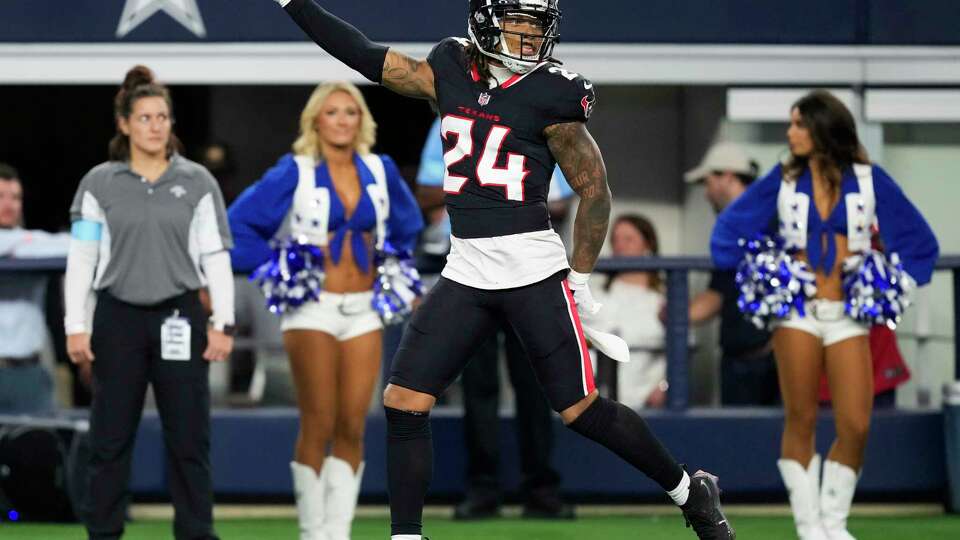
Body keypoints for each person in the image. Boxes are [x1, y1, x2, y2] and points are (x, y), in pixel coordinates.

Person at [271, 1, 735, 539]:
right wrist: (295, 3)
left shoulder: (553, 92)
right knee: (403, 399)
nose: (528, 35)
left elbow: (594, 193)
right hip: (467, 267)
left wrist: (578, 279)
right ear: (486, 20)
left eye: (537, 25)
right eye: (518, 21)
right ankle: (405, 535)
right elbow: (364, 54)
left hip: (532, 267)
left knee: (580, 410)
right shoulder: (448, 68)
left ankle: (687, 490)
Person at [711, 90, 939, 540]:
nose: (790, 132)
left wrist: (896, 282)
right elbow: (729, 233)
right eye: (791, 123)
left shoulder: (870, 180)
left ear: (822, 128)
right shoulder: (782, 179)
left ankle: (835, 522)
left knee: (856, 423)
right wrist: (763, 269)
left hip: (848, 314)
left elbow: (918, 240)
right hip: (797, 311)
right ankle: (811, 527)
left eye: (799, 124)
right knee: (802, 418)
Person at [228, 81, 423, 540]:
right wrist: (277, 268)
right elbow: (239, 225)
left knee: (354, 423)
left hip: (364, 309)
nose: (342, 120)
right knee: (318, 419)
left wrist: (393, 267)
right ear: (316, 119)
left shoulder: (381, 168)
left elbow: (408, 225)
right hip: (311, 307)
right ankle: (312, 532)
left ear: (361, 120)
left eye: (350, 112)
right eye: (332, 112)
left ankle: (338, 531)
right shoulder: (294, 170)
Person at [64, 65, 235, 540]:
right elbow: (82, 257)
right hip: (118, 317)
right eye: (144, 117)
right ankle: (103, 533)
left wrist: (224, 321)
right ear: (124, 124)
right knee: (109, 438)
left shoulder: (198, 181)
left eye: (163, 116)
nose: (156, 125)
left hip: (180, 312)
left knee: (189, 439)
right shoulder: (98, 183)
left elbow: (215, 255)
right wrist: (75, 325)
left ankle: (197, 533)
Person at [415, 118, 575, 520]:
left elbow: (563, 200)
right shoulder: (451, 118)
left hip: (529, 273)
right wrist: (502, 192)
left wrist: (476, 191)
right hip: (473, 272)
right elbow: (425, 191)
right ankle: (482, 488)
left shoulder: (539, 117)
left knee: (538, 384)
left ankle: (540, 488)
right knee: (478, 386)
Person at [684, 142, 780, 406]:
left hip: (763, 359)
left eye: (708, 182)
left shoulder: (768, 218)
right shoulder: (743, 223)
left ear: (727, 176)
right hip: (748, 357)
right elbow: (722, 289)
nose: (706, 193)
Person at [0, 163, 70, 414]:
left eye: (15, 197)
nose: (9, 204)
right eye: (1, 197)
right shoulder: (31, 243)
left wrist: (24, 243)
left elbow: (71, 245)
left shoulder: (34, 243)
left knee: (40, 448)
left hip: (28, 373)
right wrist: (23, 244)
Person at [594, 214, 667, 410]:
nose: (620, 246)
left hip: (647, 408)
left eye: (628, 239)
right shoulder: (594, 297)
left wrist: (664, 388)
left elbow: (682, 351)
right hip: (596, 409)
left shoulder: (664, 301)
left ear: (648, 245)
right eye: (615, 240)